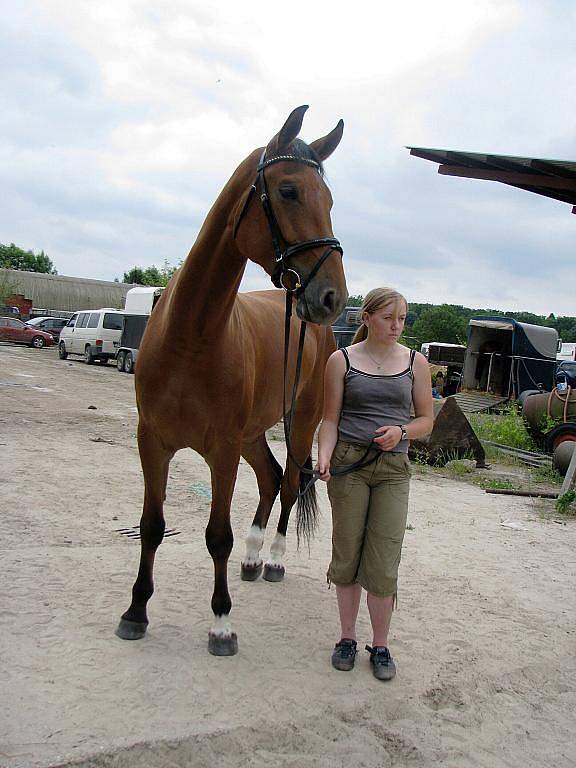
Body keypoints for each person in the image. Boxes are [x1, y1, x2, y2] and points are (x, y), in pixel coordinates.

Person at [315, 287, 434, 680]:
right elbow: (330, 420)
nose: (396, 326)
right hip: (350, 464)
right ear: (366, 318)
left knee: (383, 560)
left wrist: (401, 432)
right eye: (388, 318)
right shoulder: (341, 360)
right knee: (346, 553)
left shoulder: (416, 363)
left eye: (402, 318)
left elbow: (426, 421)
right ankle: (347, 638)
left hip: (392, 470)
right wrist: (324, 455)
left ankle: (380, 645)